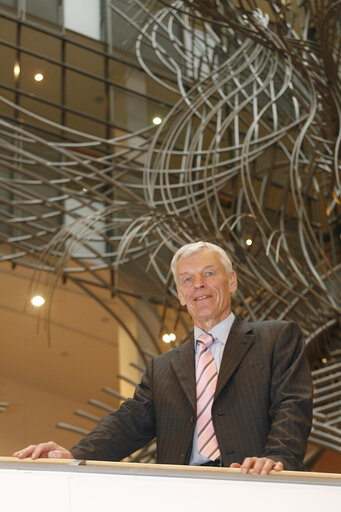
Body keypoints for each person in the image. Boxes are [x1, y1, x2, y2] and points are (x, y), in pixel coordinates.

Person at [14, 241, 313, 474]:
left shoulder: (276, 338)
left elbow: (292, 405)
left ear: (231, 281)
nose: (198, 284)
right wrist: (74, 455)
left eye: (209, 273)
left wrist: (278, 459)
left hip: (254, 484)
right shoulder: (163, 368)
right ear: (181, 295)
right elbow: (127, 423)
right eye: (187, 279)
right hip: (178, 490)